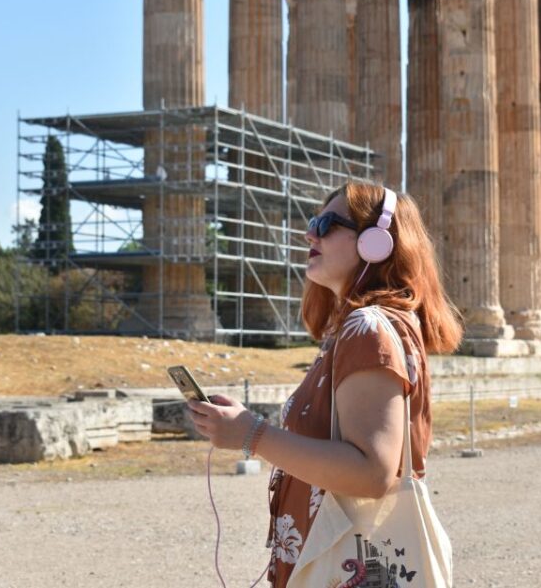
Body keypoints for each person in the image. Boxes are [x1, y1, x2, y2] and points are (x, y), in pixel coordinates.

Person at [187, 181, 463, 587]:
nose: (309, 233)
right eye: (313, 221)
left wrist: (253, 435)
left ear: (375, 242)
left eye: (327, 223)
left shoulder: (367, 327)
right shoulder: (361, 327)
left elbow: (372, 473)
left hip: (346, 565)